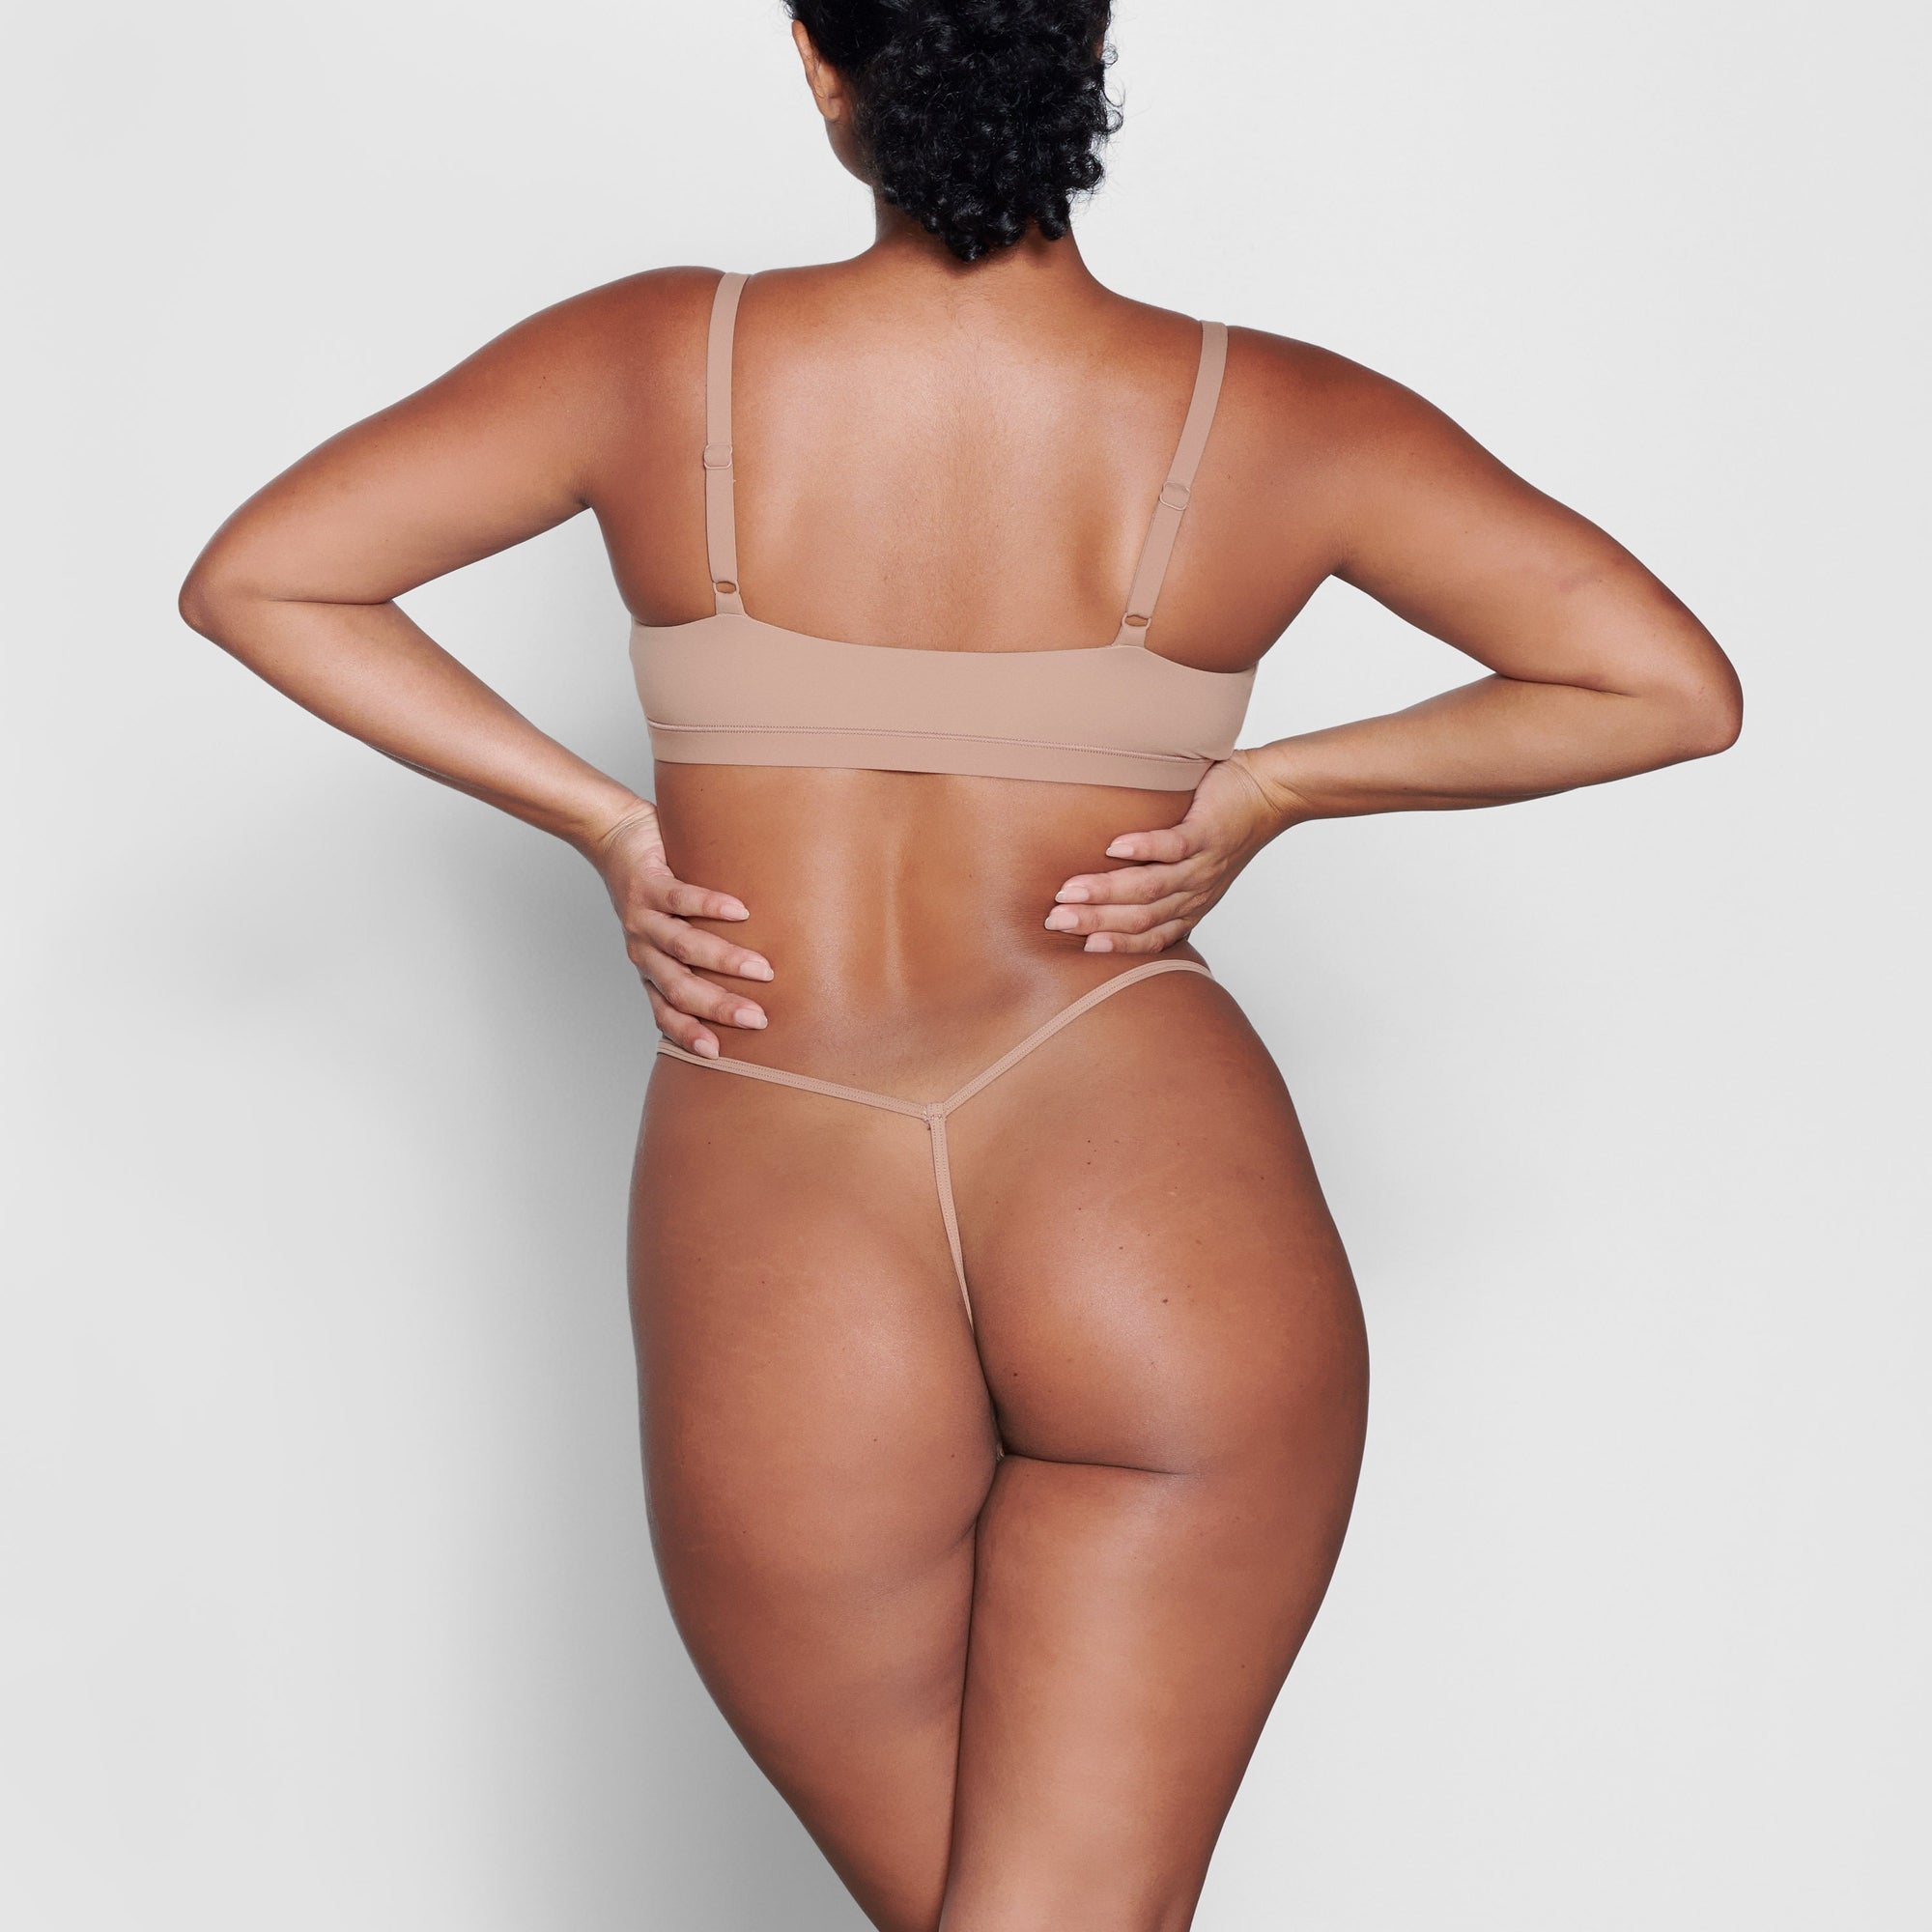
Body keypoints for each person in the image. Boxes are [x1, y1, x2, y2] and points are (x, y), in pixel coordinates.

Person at [178, 2, 1742, 1925]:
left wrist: (604, 822)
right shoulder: (1275, 413)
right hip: (1136, 1145)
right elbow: (1663, 687)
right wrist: (1267, 786)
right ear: (1087, 55)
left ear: (822, 67)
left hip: (780, 1169)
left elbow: (263, 574)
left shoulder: (653, 357)